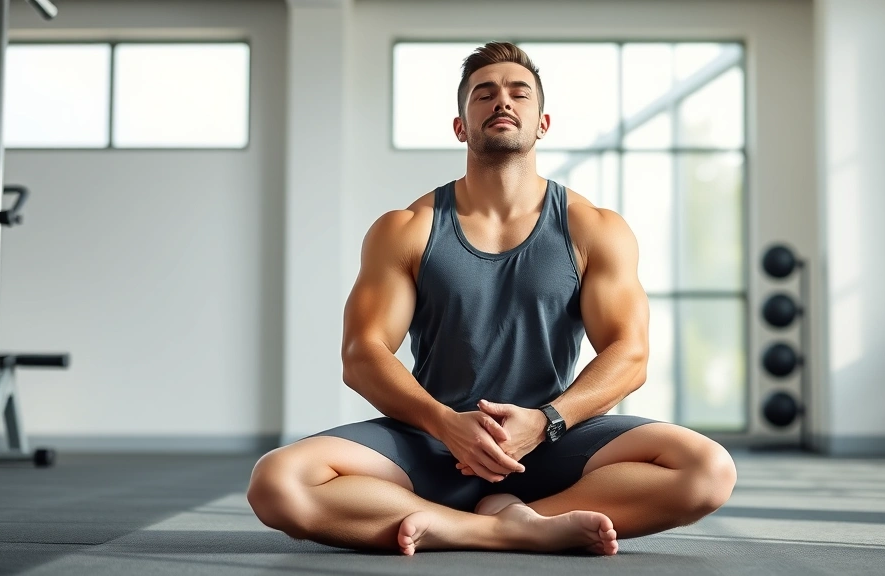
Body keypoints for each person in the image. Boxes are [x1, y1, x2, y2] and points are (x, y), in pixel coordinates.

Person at [247, 41, 736, 556]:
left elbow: (629, 354)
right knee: (277, 481)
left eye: (518, 93)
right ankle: (499, 527)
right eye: (484, 94)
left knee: (708, 469)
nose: (502, 102)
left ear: (542, 122)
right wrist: (445, 424)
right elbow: (362, 354)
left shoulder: (594, 228)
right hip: (433, 441)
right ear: (461, 126)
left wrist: (547, 420)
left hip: (549, 442)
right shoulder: (406, 230)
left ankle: (478, 522)